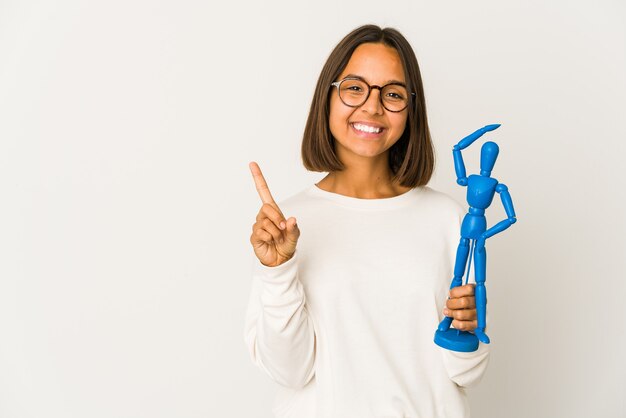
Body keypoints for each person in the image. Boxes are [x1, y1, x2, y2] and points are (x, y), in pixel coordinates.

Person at [244, 24, 490, 418]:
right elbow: (289, 372)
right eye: (355, 87)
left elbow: (465, 374)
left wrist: (469, 329)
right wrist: (278, 272)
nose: (372, 107)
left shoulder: (448, 219)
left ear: (412, 109)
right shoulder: (288, 225)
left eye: (392, 94)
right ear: (328, 95)